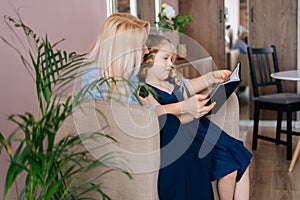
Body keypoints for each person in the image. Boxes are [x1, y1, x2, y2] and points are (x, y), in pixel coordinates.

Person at [138, 34, 252, 200]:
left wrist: (214, 77)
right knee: (230, 168)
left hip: (202, 128)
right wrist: (186, 108)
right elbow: (156, 112)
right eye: (165, 58)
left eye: (172, 59)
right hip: (186, 133)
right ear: (148, 60)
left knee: (242, 161)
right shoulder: (145, 89)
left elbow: (190, 85)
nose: (171, 64)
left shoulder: (173, 80)